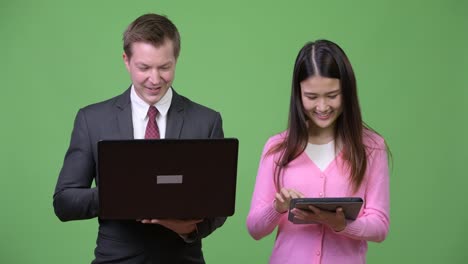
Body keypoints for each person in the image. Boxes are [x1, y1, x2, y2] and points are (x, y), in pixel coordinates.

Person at [53, 13, 226, 263]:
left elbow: (218, 206)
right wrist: (121, 194)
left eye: (164, 67)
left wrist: (186, 228)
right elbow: (64, 202)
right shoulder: (92, 120)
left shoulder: (206, 121)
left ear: (176, 60)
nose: (154, 79)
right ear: (126, 60)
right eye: (144, 67)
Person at [246, 39, 390, 264]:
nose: (322, 107)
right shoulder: (278, 148)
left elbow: (380, 226)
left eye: (332, 95)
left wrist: (341, 224)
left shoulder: (371, 147)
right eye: (311, 97)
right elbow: (255, 229)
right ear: (298, 94)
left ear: (348, 92)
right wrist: (278, 207)